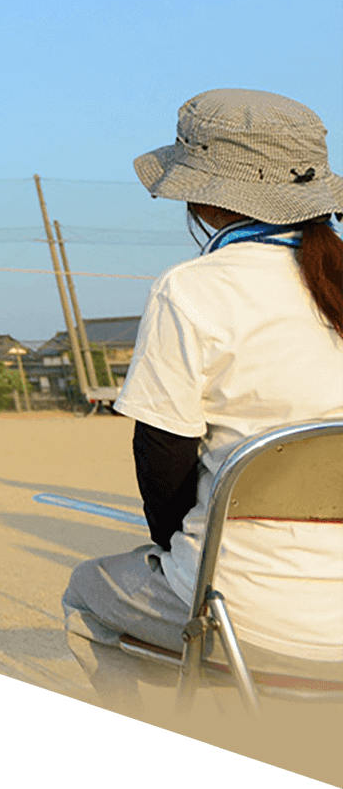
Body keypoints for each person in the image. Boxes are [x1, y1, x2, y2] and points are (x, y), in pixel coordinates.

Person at [61, 89, 343, 701]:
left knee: (87, 590)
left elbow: (161, 459)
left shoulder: (192, 290)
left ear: (205, 194)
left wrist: (174, 548)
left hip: (249, 610)